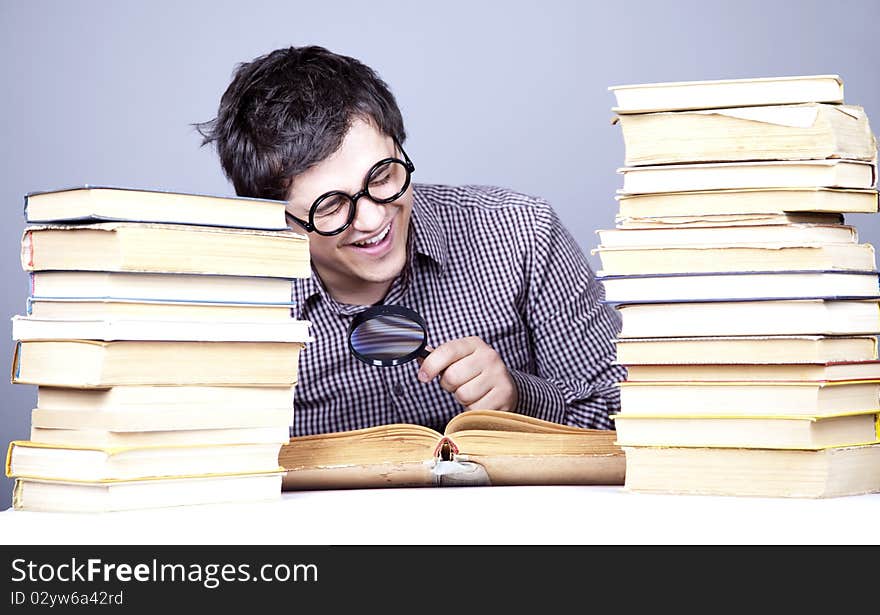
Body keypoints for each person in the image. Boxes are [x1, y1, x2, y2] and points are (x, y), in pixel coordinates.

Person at [196, 45, 626, 436]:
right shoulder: (231, 304)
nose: (372, 218)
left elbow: (634, 416)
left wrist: (520, 396)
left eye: (383, 177)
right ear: (280, 219)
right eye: (329, 207)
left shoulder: (524, 232)